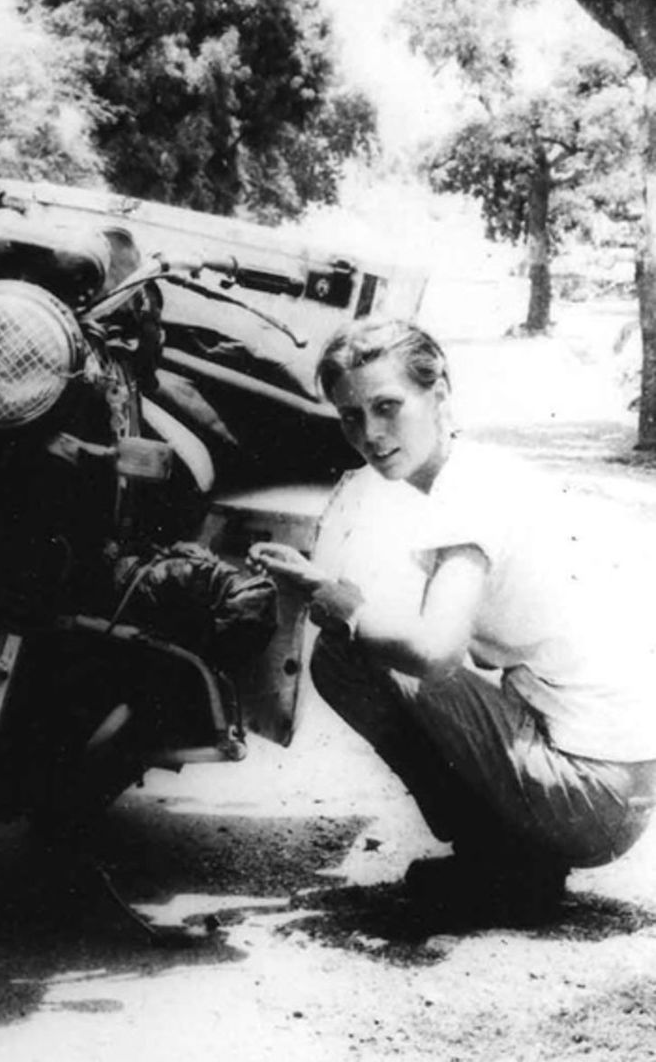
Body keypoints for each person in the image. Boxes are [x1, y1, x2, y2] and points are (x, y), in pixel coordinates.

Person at [248, 316, 656, 922]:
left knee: (349, 654)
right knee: (361, 643)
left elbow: (437, 651)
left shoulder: (468, 494)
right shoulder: (473, 473)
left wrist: (338, 603)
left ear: (439, 393)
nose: (371, 434)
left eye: (388, 406)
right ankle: (509, 859)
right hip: (610, 785)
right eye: (351, 417)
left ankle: (502, 866)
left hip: (596, 799)